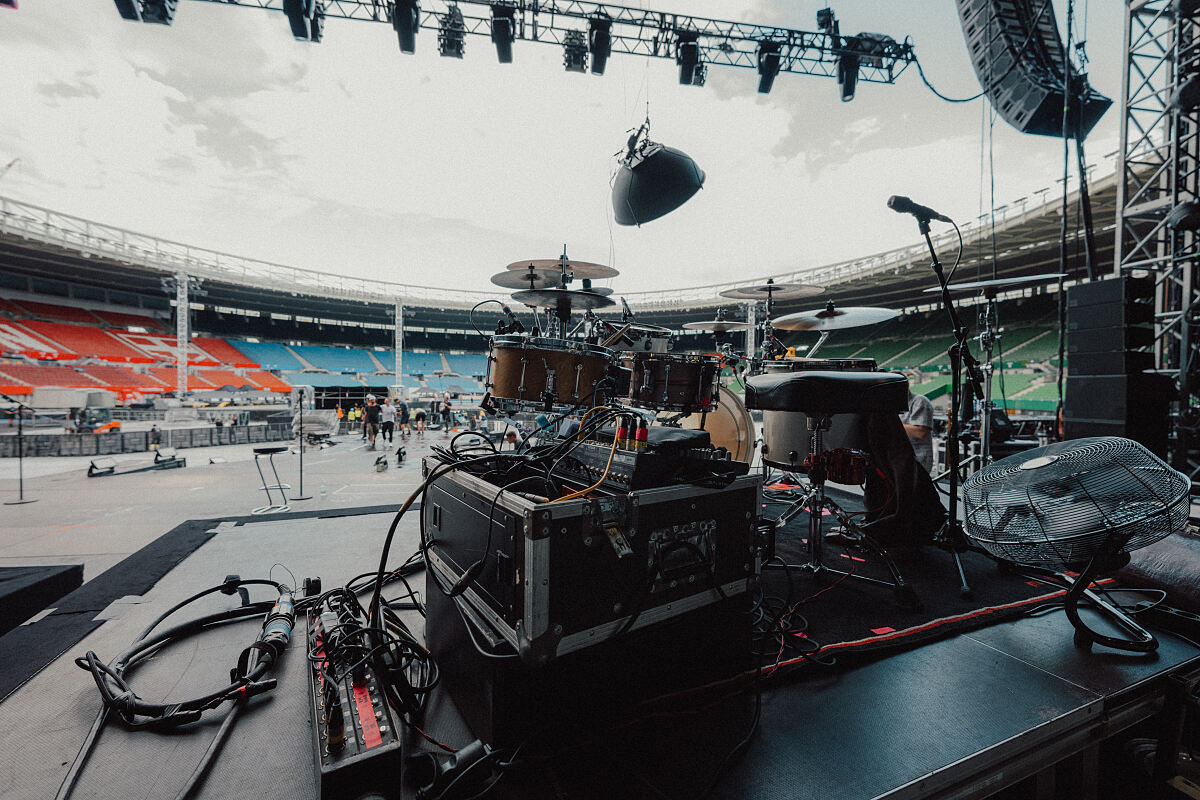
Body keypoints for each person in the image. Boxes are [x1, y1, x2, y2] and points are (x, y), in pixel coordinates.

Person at [899, 375, 934, 474]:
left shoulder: (919, 401)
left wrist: (890, 424)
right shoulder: (892, 403)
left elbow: (921, 432)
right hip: (900, 458)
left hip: (918, 458)